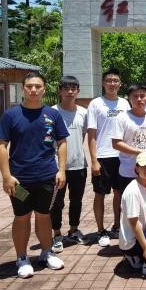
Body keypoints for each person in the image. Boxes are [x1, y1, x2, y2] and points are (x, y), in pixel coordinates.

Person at [0, 71, 68, 279]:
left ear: (44, 89)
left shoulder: (52, 115)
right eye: (29, 86)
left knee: (44, 215)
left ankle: (47, 252)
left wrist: (61, 170)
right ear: (23, 89)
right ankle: (22, 258)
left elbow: (62, 142)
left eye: (38, 86)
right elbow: (1, 146)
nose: (33, 90)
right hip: (20, 180)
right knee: (22, 217)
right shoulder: (11, 115)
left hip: (47, 177)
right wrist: (6, 176)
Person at [86, 68, 131, 247]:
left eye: (115, 80)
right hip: (103, 157)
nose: (112, 84)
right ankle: (100, 230)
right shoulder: (95, 104)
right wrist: (94, 160)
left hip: (122, 157)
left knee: (120, 193)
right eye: (109, 80)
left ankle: (117, 226)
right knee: (100, 194)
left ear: (120, 84)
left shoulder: (125, 103)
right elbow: (91, 134)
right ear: (103, 83)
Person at [50, 76, 88, 253]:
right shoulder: (52, 112)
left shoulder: (83, 113)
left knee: (76, 200)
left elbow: (84, 135)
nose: (70, 92)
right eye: (66, 88)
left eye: (73, 88)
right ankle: (57, 234)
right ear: (60, 91)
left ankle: (73, 229)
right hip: (57, 167)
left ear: (78, 91)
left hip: (79, 164)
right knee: (57, 202)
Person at [112, 84, 146, 197]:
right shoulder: (121, 117)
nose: (139, 99)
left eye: (142, 96)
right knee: (129, 203)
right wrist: (138, 152)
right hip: (128, 171)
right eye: (135, 96)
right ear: (129, 98)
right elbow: (116, 143)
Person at [119, 151, 146, 275]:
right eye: (144, 166)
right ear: (137, 168)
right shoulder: (133, 191)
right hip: (131, 243)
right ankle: (145, 264)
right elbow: (134, 223)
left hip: (141, 234)